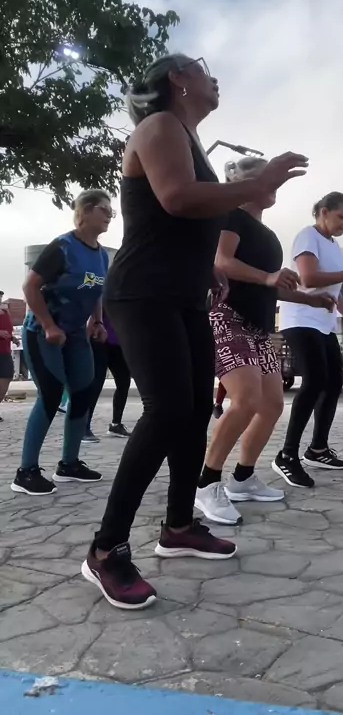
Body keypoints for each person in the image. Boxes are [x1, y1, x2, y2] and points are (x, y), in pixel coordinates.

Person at [80, 53, 308, 610]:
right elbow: (176, 198)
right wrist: (261, 181)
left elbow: (177, 220)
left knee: (193, 410)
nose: (214, 77)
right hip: (143, 291)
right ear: (177, 79)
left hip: (184, 294)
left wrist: (206, 266)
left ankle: (179, 525)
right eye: (203, 68)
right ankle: (106, 550)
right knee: (166, 411)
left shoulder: (188, 138)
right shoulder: (159, 125)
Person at [195, 158, 334, 525]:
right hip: (227, 318)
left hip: (259, 329)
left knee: (272, 404)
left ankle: (243, 479)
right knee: (245, 400)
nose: (272, 185)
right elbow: (222, 261)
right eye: (264, 177)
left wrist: (308, 299)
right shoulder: (231, 216)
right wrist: (269, 277)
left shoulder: (269, 235)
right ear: (241, 183)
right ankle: (206, 484)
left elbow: (270, 286)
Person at [11, 190, 112, 495]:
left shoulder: (101, 254)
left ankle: (69, 464)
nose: (109, 215)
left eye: (111, 210)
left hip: (76, 334)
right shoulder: (63, 247)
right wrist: (48, 324)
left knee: (83, 392)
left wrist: (97, 321)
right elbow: (30, 286)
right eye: (104, 209)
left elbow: (96, 289)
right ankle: (25, 473)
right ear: (85, 211)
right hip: (43, 332)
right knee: (51, 394)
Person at [273, 192, 343, 489]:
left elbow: (335, 295)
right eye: (342, 217)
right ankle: (287, 455)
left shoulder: (334, 246)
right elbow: (308, 278)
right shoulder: (308, 236)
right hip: (300, 319)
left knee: (333, 382)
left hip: (324, 323)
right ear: (324, 212)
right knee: (315, 380)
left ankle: (317, 449)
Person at [84, 311, 131, 443]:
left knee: (124, 382)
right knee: (96, 383)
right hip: (100, 340)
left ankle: (116, 424)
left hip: (118, 342)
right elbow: (92, 314)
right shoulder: (103, 299)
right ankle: (84, 427)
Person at [0, 295, 19, 421]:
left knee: (7, 376)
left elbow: (7, 330)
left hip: (4, 351)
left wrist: (12, 337)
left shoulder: (5, 312)